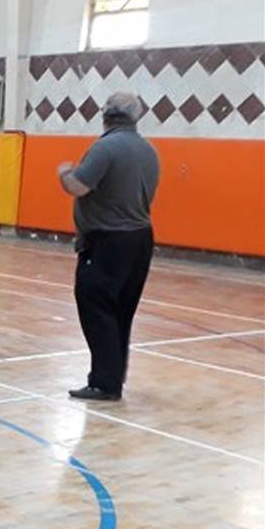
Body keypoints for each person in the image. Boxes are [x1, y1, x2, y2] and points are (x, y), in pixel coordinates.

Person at [56, 92, 159, 402]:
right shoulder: (148, 150)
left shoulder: (105, 148)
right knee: (121, 311)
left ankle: (104, 382)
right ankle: (112, 379)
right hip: (140, 239)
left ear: (106, 115)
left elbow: (78, 186)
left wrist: (64, 173)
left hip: (108, 241)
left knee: (95, 306)